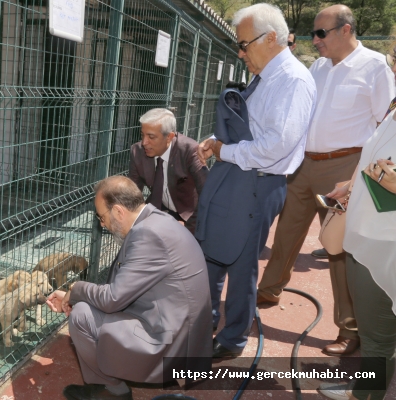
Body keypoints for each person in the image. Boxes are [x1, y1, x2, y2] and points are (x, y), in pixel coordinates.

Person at [256, 5, 396, 357]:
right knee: (286, 229)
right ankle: (269, 289)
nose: (313, 40)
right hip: (306, 163)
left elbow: (385, 123)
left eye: (321, 33)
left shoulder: (375, 66)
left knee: (338, 247)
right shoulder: (318, 67)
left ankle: (348, 329)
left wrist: (357, 177)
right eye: (313, 33)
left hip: (345, 165)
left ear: (346, 30)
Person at [197, 3, 315, 357]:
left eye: (244, 44)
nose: (241, 51)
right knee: (214, 253)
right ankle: (206, 323)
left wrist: (222, 150)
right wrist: (219, 145)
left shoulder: (292, 80)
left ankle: (232, 340)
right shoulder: (267, 76)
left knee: (241, 263)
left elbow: (274, 147)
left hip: (259, 183)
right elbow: (253, 131)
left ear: (272, 38)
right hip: (240, 180)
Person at [46, 176, 212, 400]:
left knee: (82, 316)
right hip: (176, 326)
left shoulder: (147, 235)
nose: (101, 224)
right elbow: (121, 288)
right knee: (86, 305)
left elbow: (113, 298)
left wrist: (75, 289)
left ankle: (114, 392)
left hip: (169, 343)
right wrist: (74, 295)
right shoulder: (156, 220)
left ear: (118, 211)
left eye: (101, 216)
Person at [317, 108, 396, 400]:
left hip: (385, 246)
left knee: (378, 341)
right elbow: (373, 157)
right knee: (375, 335)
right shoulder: (393, 106)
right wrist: (350, 187)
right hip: (363, 236)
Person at [128, 108, 208, 233]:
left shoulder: (189, 151)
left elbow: (207, 193)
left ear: (170, 137)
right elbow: (132, 194)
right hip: (158, 213)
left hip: (189, 217)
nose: (144, 142)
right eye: (142, 135)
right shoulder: (137, 152)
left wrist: (188, 227)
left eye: (151, 137)